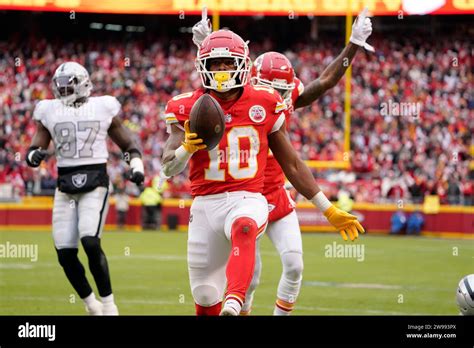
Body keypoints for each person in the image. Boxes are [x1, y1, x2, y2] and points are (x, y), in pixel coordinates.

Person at [162, 29, 364, 316]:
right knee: (205, 296)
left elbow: (291, 163)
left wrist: (327, 209)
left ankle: (234, 303)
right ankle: (226, 303)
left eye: (228, 63)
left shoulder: (265, 100)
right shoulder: (186, 106)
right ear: (202, 66)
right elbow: (168, 166)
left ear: (242, 64)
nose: (221, 70)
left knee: (245, 226)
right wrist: (185, 148)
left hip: (248, 196)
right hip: (205, 204)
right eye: (215, 63)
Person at [26, 62, 145, 315]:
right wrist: (32, 155)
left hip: (95, 181)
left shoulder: (102, 106)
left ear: (83, 83)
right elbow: (36, 145)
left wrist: (136, 166)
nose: (64, 88)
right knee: (65, 253)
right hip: (65, 185)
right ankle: (92, 305)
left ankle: (110, 306)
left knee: (90, 241)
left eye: (69, 83)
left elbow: (128, 142)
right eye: (60, 84)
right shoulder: (48, 110)